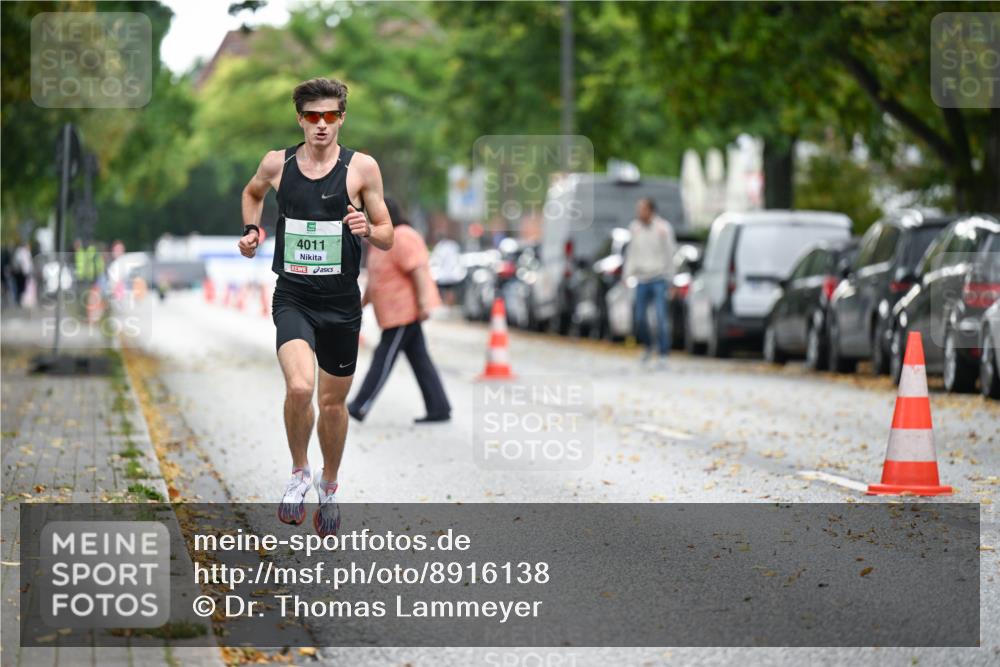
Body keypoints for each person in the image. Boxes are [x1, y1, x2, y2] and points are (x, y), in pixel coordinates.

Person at [239, 77, 393, 536]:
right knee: (301, 388)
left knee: (330, 404)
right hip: (294, 296)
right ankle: (299, 474)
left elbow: (387, 233)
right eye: (312, 117)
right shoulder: (277, 163)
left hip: (342, 301)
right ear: (300, 119)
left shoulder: (362, 169)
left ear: (341, 118)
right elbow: (252, 194)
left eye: (330, 116)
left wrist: (367, 226)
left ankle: (329, 484)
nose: (321, 125)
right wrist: (252, 230)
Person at [348, 199, 451, 424]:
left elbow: (418, 271)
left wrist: (424, 304)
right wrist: (359, 305)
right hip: (393, 312)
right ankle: (439, 407)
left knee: (383, 357)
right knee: (420, 359)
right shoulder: (378, 240)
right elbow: (376, 279)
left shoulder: (402, 235)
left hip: (403, 312)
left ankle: (360, 405)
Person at [623, 197, 676, 366]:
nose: (639, 212)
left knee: (661, 317)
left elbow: (670, 254)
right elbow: (631, 253)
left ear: (651, 210)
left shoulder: (663, 229)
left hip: (659, 278)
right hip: (642, 279)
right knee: (639, 317)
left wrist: (672, 280)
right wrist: (626, 275)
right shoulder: (635, 228)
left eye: (642, 209)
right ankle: (648, 346)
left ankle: (663, 353)